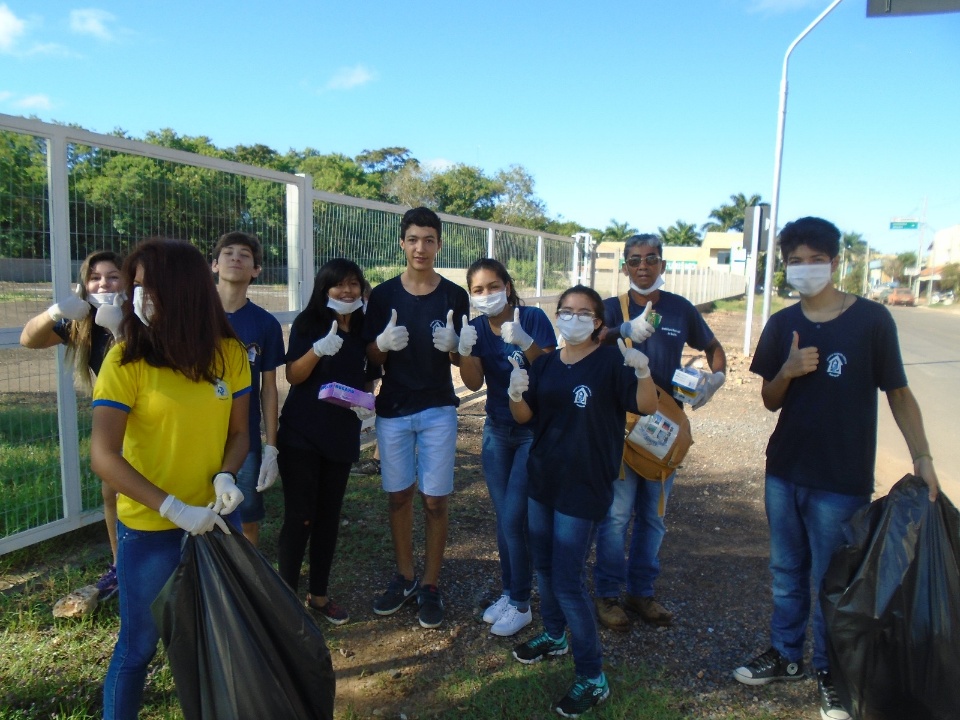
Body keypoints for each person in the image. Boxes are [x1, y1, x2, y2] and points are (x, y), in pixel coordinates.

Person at [731, 217, 939, 720]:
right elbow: (769, 401)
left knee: (833, 579)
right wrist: (787, 369)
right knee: (785, 572)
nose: (805, 270)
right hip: (783, 472)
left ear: (835, 261)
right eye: (795, 261)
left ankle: (830, 672)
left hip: (840, 481)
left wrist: (923, 458)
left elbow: (899, 393)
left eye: (814, 260)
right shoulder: (782, 324)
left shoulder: (870, 321)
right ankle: (786, 655)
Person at [89, 237, 250, 720]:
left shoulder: (228, 354)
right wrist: (174, 509)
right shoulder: (125, 360)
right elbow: (103, 456)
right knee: (137, 649)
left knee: (222, 642)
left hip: (218, 525)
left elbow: (241, 432)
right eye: (135, 286)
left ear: (183, 290)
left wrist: (226, 475)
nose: (138, 297)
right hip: (152, 533)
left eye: (148, 286)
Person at [508, 285, 657, 717]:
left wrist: (644, 372)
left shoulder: (611, 361)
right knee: (544, 566)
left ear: (597, 322)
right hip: (544, 480)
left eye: (582, 312)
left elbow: (645, 406)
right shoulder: (548, 362)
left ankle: (593, 677)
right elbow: (526, 417)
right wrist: (515, 394)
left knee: (568, 581)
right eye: (565, 311)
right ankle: (554, 636)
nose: (572, 318)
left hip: (583, 487)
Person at [592, 233, 726, 631]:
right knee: (616, 517)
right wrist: (620, 331)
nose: (643, 266)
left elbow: (713, 344)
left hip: (665, 432)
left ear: (663, 265)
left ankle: (642, 593)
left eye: (651, 259)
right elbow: (585, 342)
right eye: (635, 260)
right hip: (621, 428)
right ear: (625, 267)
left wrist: (715, 377)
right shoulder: (609, 309)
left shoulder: (681, 309)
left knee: (654, 519)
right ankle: (608, 595)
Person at [363, 206, 470, 629]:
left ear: (439, 244)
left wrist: (455, 345)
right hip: (393, 409)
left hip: (438, 408)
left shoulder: (454, 295)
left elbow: (465, 359)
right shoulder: (385, 295)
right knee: (398, 496)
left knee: (435, 499)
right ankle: (404, 576)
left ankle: (430, 583)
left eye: (429, 239)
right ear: (402, 243)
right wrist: (381, 344)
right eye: (413, 239)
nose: (420, 247)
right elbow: (370, 357)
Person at [459, 258, 557, 637]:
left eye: (493, 286)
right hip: (498, 428)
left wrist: (525, 342)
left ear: (508, 286)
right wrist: (465, 349)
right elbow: (471, 383)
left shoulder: (532, 318)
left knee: (515, 516)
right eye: (478, 290)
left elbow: (552, 370)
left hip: (534, 430)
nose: (487, 295)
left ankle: (520, 604)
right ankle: (509, 591)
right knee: (505, 520)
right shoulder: (478, 328)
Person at [20, 249, 125, 601]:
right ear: (84, 284)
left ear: (126, 280)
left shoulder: (140, 314)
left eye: (112, 276)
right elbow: (28, 339)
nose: (103, 283)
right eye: (95, 277)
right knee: (111, 491)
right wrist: (55, 311)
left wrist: (121, 329)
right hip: (109, 416)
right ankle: (120, 565)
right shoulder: (80, 320)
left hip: (151, 417)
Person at [276, 258, 376, 625]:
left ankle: (319, 596)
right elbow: (294, 375)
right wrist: (318, 350)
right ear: (324, 289)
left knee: (328, 518)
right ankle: (286, 603)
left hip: (341, 435)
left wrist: (367, 402)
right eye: (338, 285)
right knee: (300, 518)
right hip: (302, 434)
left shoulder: (366, 329)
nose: (347, 291)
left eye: (353, 283)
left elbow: (369, 376)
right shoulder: (309, 323)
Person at [212, 231, 285, 546]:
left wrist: (272, 446)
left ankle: (247, 588)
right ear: (214, 264)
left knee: (246, 519)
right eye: (228, 253)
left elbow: (269, 388)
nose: (235, 259)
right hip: (194, 434)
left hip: (244, 437)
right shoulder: (190, 315)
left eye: (244, 254)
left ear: (256, 270)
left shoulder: (265, 324)